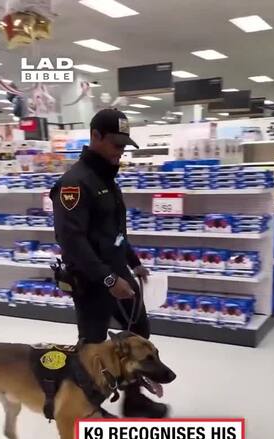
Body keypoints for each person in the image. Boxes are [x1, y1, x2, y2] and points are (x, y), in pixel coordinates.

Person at [49, 108, 168, 418]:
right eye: (116, 144)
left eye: (124, 145)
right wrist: (109, 279)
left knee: (138, 333)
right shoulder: (74, 184)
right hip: (92, 281)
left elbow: (113, 233)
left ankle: (134, 398)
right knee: (92, 346)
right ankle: (86, 407)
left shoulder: (107, 178)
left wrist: (133, 262)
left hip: (119, 275)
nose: (121, 151)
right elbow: (72, 242)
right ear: (95, 136)